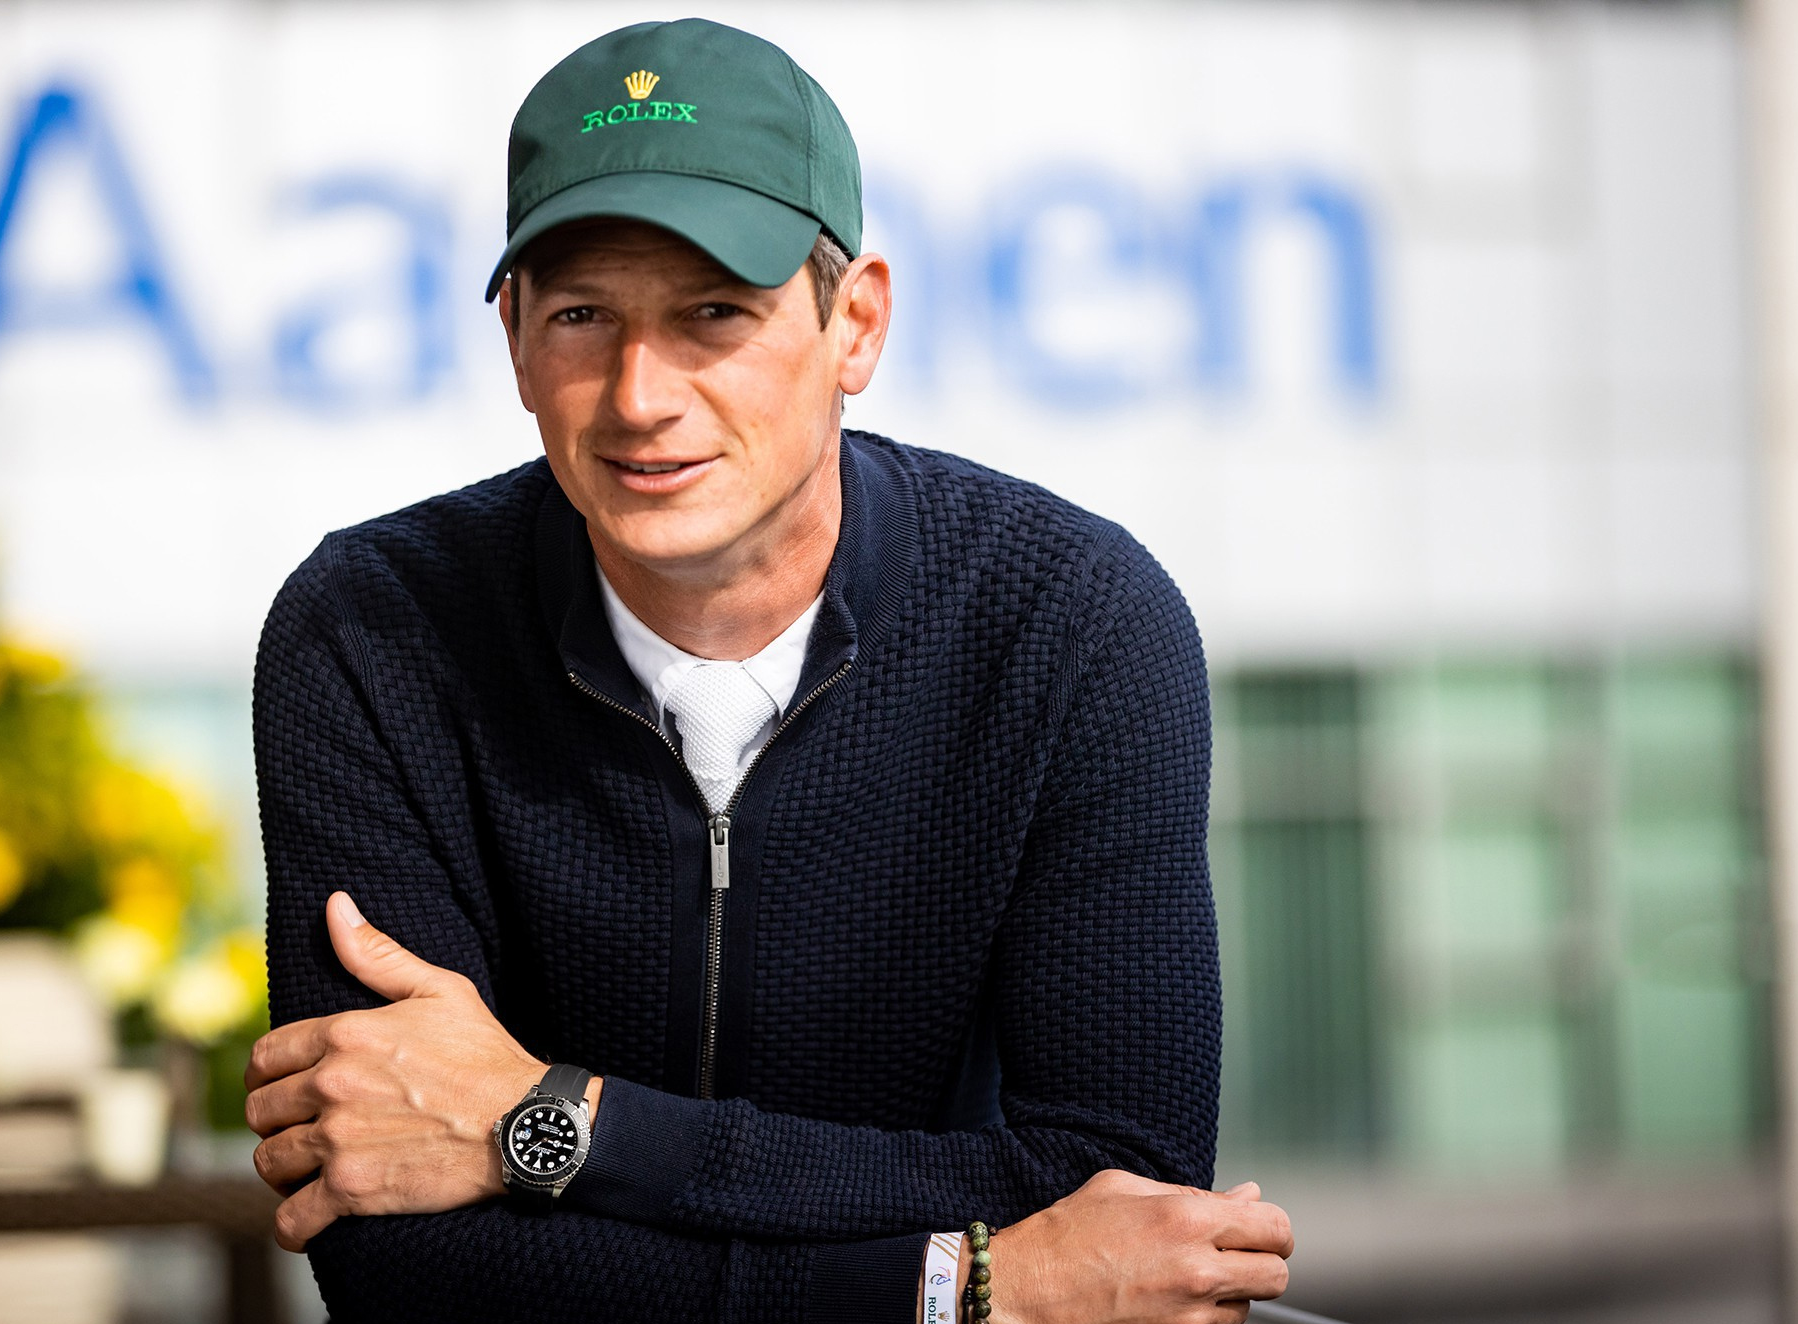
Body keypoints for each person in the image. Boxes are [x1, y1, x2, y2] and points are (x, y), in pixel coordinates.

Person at [243, 16, 1294, 1324]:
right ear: (512, 337)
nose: (639, 394)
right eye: (582, 315)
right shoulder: (370, 632)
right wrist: (961, 1286)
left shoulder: (1072, 623)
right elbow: (398, 1258)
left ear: (856, 325)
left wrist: (557, 1124)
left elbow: (1118, 1203)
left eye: (714, 314)